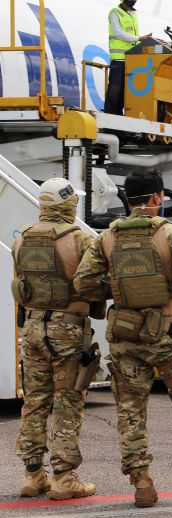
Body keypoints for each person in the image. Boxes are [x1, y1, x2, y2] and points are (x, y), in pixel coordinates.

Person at [74, 170, 172, 508]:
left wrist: (118, 288)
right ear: (158, 198)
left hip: (125, 335)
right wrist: (167, 285)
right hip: (169, 334)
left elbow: (85, 284)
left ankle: (143, 485)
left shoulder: (106, 238)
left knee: (130, 412)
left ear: (127, 199)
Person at [12, 178, 98, 500]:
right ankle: (64, 477)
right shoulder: (79, 240)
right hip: (67, 331)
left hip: (32, 328)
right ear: (69, 205)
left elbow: (19, 286)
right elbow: (95, 285)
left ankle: (33, 475)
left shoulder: (22, 239)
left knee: (34, 401)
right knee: (68, 400)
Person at [105, 0, 151, 115]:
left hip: (132, 58)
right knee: (115, 87)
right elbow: (118, 33)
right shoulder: (115, 12)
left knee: (126, 90)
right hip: (119, 58)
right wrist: (139, 38)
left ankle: (118, 113)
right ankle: (110, 113)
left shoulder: (133, 14)